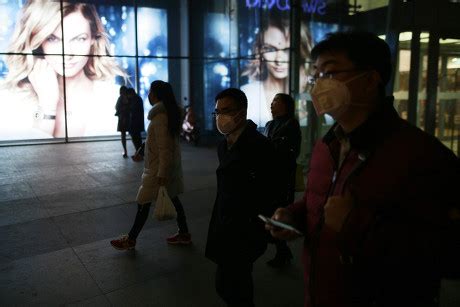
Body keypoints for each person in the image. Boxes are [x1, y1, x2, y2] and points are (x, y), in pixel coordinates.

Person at [266, 31, 460, 307]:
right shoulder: (327, 145)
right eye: (316, 76)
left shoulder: (421, 155)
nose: (319, 85)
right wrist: (294, 216)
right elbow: (321, 203)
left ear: (370, 80)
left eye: (330, 73)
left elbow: (451, 255)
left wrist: (358, 225)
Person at [0, 0, 127, 140]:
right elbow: (29, 159)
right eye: (53, 39)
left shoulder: (113, 98)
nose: (67, 54)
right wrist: (47, 106)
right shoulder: (9, 99)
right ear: (37, 42)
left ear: (93, 39)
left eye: (79, 39)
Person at [205, 88, 280, 306]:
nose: (221, 117)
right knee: (228, 284)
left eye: (227, 111)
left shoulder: (260, 146)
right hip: (225, 222)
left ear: (242, 112)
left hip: (245, 229)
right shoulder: (224, 145)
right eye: (217, 112)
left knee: (234, 286)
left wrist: (259, 228)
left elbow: (269, 192)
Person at [111, 80, 191, 250]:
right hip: (162, 168)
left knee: (143, 202)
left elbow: (165, 149)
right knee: (173, 199)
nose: (148, 94)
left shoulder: (161, 117)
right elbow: (157, 141)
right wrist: (142, 150)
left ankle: (131, 239)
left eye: (150, 91)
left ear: (156, 95)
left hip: (157, 170)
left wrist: (162, 173)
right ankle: (184, 234)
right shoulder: (165, 115)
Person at [241, 16, 312, 128]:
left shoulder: (311, 94)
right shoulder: (248, 93)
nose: (279, 60)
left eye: (288, 51)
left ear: (302, 53)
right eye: (270, 49)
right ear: (259, 51)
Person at [263, 93, 301, 268]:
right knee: (272, 210)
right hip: (270, 176)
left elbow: (288, 151)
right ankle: (283, 251)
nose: (272, 104)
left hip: (283, 177)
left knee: (280, 210)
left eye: (275, 101)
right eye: (271, 102)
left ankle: (282, 252)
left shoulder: (291, 124)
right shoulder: (270, 124)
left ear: (286, 105)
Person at [127, 87, 145, 156]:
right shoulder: (137, 98)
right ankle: (139, 152)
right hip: (137, 123)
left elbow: (133, 111)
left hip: (135, 123)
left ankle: (139, 153)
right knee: (137, 138)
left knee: (136, 139)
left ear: (131, 93)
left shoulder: (135, 99)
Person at [115, 86, 131, 158]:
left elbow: (117, 107)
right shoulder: (129, 98)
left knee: (123, 135)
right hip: (128, 118)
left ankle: (125, 151)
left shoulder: (121, 98)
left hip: (122, 118)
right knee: (133, 134)